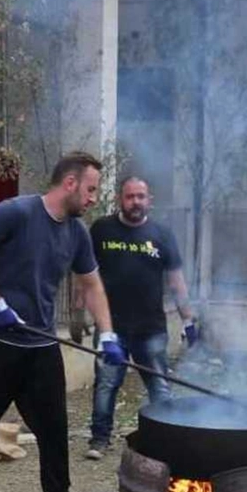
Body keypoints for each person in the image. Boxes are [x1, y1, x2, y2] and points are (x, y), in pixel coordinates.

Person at [0, 151, 126, 492]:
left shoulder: (76, 233)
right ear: (71, 183)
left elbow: (91, 284)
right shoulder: (16, 212)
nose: (95, 198)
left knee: (54, 431)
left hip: (41, 345)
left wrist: (108, 334)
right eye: (92, 189)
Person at [85, 176, 198, 461]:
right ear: (120, 199)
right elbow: (85, 274)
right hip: (112, 327)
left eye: (141, 196)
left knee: (159, 385)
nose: (135, 201)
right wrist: (78, 314)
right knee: (106, 384)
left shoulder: (162, 234)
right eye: (130, 196)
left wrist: (189, 321)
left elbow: (177, 282)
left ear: (150, 200)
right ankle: (99, 439)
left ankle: (167, 435)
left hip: (151, 329)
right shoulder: (101, 230)